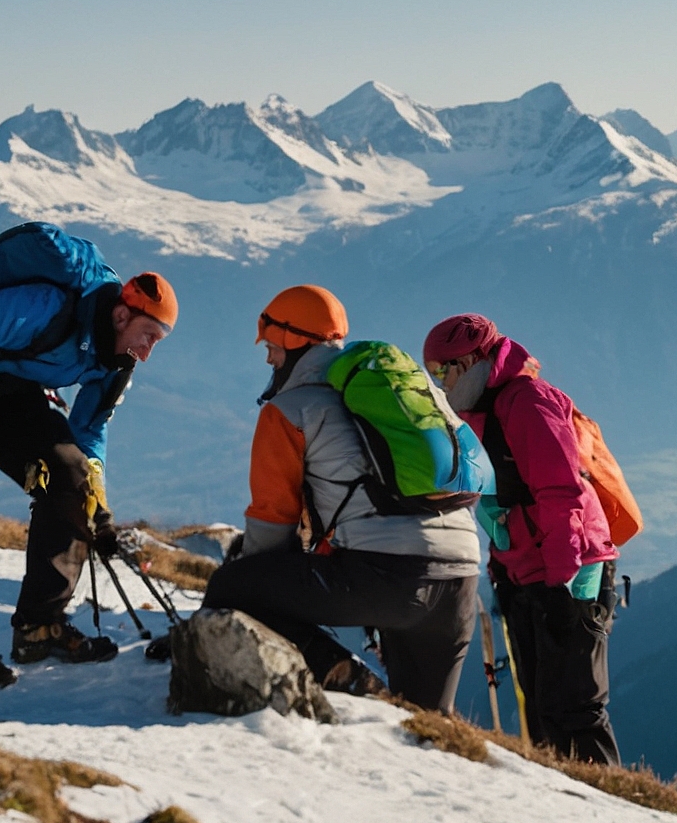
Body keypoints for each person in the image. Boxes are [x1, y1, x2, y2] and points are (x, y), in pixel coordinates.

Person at [0, 244, 177, 688]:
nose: (147, 352)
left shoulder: (116, 361)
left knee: (71, 477)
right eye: (148, 336)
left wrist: (94, 484)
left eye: (158, 342)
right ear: (121, 316)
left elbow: (89, 429)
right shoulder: (49, 309)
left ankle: (39, 626)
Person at [202, 286, 481, 712]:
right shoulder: (403, 392)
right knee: (425, 728)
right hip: (461, 580)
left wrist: (254, 570)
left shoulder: (291, 409)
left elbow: (273, 520)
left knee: (232, 586)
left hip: (389, 577)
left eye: (272, 349)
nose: (269, 360)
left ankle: (338, 669)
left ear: (295, 342)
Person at [422, 314, 621, 764]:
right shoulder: (480, 411)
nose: (438, 384)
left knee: (574, 708)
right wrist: (504, 573)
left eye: (441, 371)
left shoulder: (527, 403)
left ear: (471, 360)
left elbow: (560, 493)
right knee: (540, 706)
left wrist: (559, 582)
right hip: (527, 572)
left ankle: (609, 808)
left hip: (573, 573)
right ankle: (563, 809)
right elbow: (500, 505)